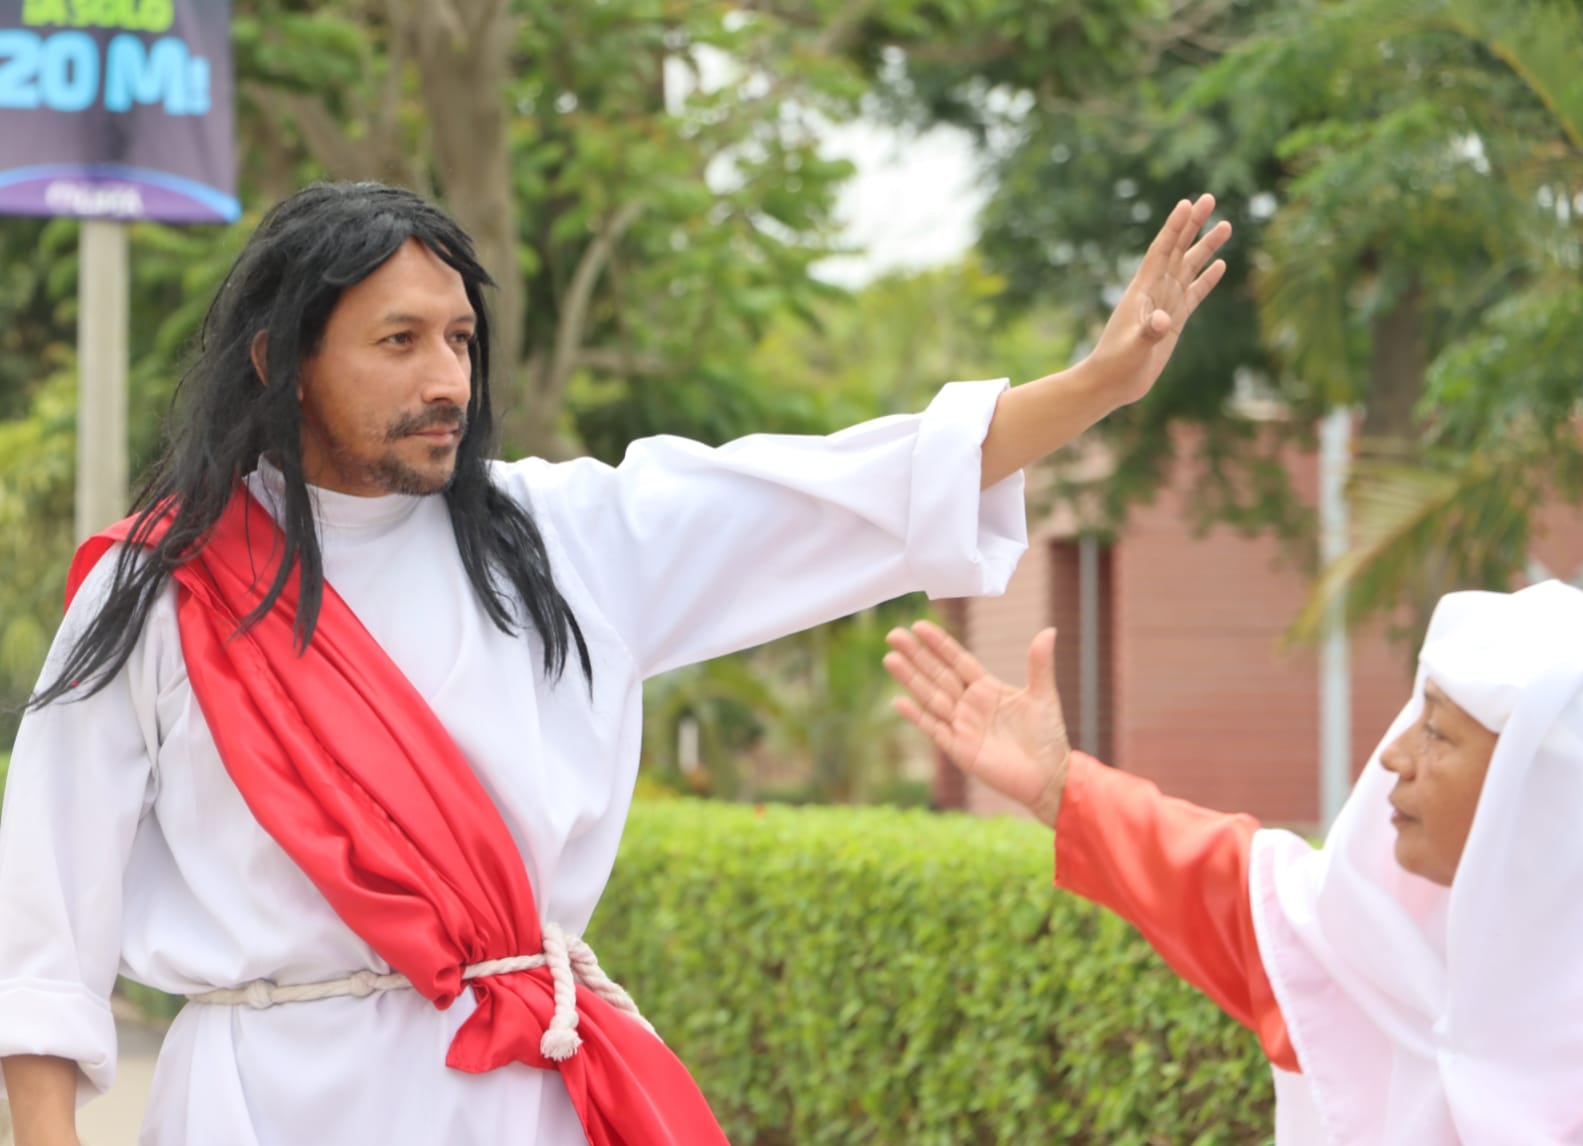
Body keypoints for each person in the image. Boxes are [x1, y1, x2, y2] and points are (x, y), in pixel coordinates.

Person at [0, 180, 1230, 1146]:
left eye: (459, 339)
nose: (446, 379)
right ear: (282, 363)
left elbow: (832, 490)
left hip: (512, 1098)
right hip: (257, 1101)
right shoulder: (162, 589)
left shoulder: (557, 539)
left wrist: (1093, 388)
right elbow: (46, 922)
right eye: (398, 341)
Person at [885, 579, 1583, 1144]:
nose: (1393, 756)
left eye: (1437, 733)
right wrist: (1060, 786)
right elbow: (1232, 894)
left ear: (1545, 789)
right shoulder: (1388, 948)